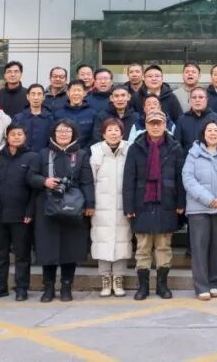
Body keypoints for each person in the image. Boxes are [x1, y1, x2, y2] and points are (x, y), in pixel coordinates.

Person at [28, 119, 94, 302]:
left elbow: (87, 181)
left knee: (70, 249)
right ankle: (48, 287)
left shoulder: (81, 154)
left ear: (73, 134)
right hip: (47, 206)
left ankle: (66, 287)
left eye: (67, 131)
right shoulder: (43, 154)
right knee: (47, 249)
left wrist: (90, 204)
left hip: (73, 207)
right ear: (53, 134)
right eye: (60, 131)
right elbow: (30, 176)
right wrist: (44, 181)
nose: (63, 134)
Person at [123, 108, 186, 300]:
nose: (156, 127)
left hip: (167, 201)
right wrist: (129, 206)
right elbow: (128, 179)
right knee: (143, 247)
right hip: (141, 202)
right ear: (146, 125)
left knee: (163, 246)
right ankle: (143, 287)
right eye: (152, 123)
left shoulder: (175, 147)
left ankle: (162, 285)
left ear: (165, 125)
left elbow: (180, 177)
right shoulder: (135, 148)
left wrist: (180, 202)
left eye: (159, 123)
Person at [0, 124, 38, 301]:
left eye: (20, 134)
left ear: (25, 137)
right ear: (7, 136)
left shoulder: (32, 157)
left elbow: (35, 189)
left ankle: (21, 288)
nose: (16, 137)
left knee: (22, 255)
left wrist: (30, 211)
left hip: (21, 215)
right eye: (13, 134)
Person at [182, 120, 217, 300]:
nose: (212, 133)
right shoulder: (193, 153)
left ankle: (215, 283)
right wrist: (208, 199)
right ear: (203, 134)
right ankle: (201, 286)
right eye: (209, 130)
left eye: (216, 130)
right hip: (198, 209)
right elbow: (188, 178)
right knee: (199, 248)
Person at [89, 117, 132, 298]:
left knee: (122, 241)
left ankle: (118, 279)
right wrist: (90, 204)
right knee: (102, 241)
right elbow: (90, 181)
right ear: (103, 133)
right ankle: (105, 279)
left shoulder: (129, 150)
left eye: (117, 130)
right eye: (110, 130)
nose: (113, 133)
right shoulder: (96, 152)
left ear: (122, 133)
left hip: (123, 205)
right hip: (101, 206)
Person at [177, 86, 217, 152]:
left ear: (207, 100)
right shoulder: (182, 120)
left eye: (201, 97)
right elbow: (177, 145)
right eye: (194, 97)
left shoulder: (216, 118)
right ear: (190, 100)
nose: (197, 100)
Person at [11, 83, 53, 153]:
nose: (36, 97)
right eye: (33, 94)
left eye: (39, 94)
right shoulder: (18, 118)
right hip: (22, 155)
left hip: (43, 157)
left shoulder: (50, 118)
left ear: (43, 97)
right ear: (28, 97)